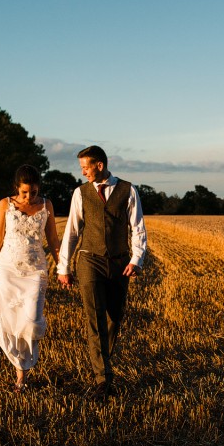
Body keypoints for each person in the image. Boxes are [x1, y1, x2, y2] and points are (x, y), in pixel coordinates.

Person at [57, 145, 147, 400]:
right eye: (81, 168)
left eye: (86, 167)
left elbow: (138, 227)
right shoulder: (80, 193)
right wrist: (64, 267)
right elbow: (72, 231)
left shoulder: (128, 190)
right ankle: (103, 379)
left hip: (119, 263)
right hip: (89, 261)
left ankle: (101, 364)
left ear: (99, 165)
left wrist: (137, 258)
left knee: (114, 318)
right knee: (94, 317)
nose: (83, 172)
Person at [0, 164, 60, 392]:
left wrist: (63, 265)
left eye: (33, 192)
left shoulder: (46, 205)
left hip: (35, 271)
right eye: (24, 192)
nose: (29, 196)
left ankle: (24, 366)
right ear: (16, 188)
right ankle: (20, 376)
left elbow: (53, 240)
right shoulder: (5, 204)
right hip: (7, 270)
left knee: (30, 321)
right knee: (9, 322)